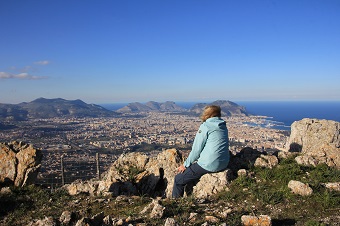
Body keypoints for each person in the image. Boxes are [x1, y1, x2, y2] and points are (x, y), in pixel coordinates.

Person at [172, 105, 230, 198]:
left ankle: (175, 205)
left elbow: (196, 150)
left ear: (207, 114)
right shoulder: (223, 125)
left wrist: (185, 165)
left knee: (178, 180)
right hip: (224, 163)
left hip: (209, 164)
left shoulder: (206, 126)